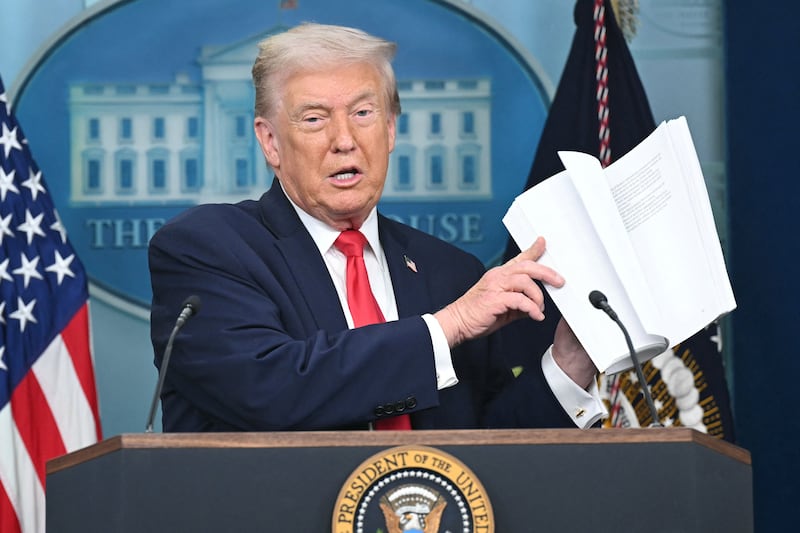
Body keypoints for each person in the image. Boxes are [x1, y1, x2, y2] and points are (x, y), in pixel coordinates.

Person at [148, 22, 606, 432]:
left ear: (389, 130)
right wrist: (448, 326)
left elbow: (495, 449)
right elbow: (266, 390)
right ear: (270, 142)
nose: (344, 141)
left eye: (363, 114)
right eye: (314, 119)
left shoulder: (451, 273)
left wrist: (570, 362)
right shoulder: (207, 248)